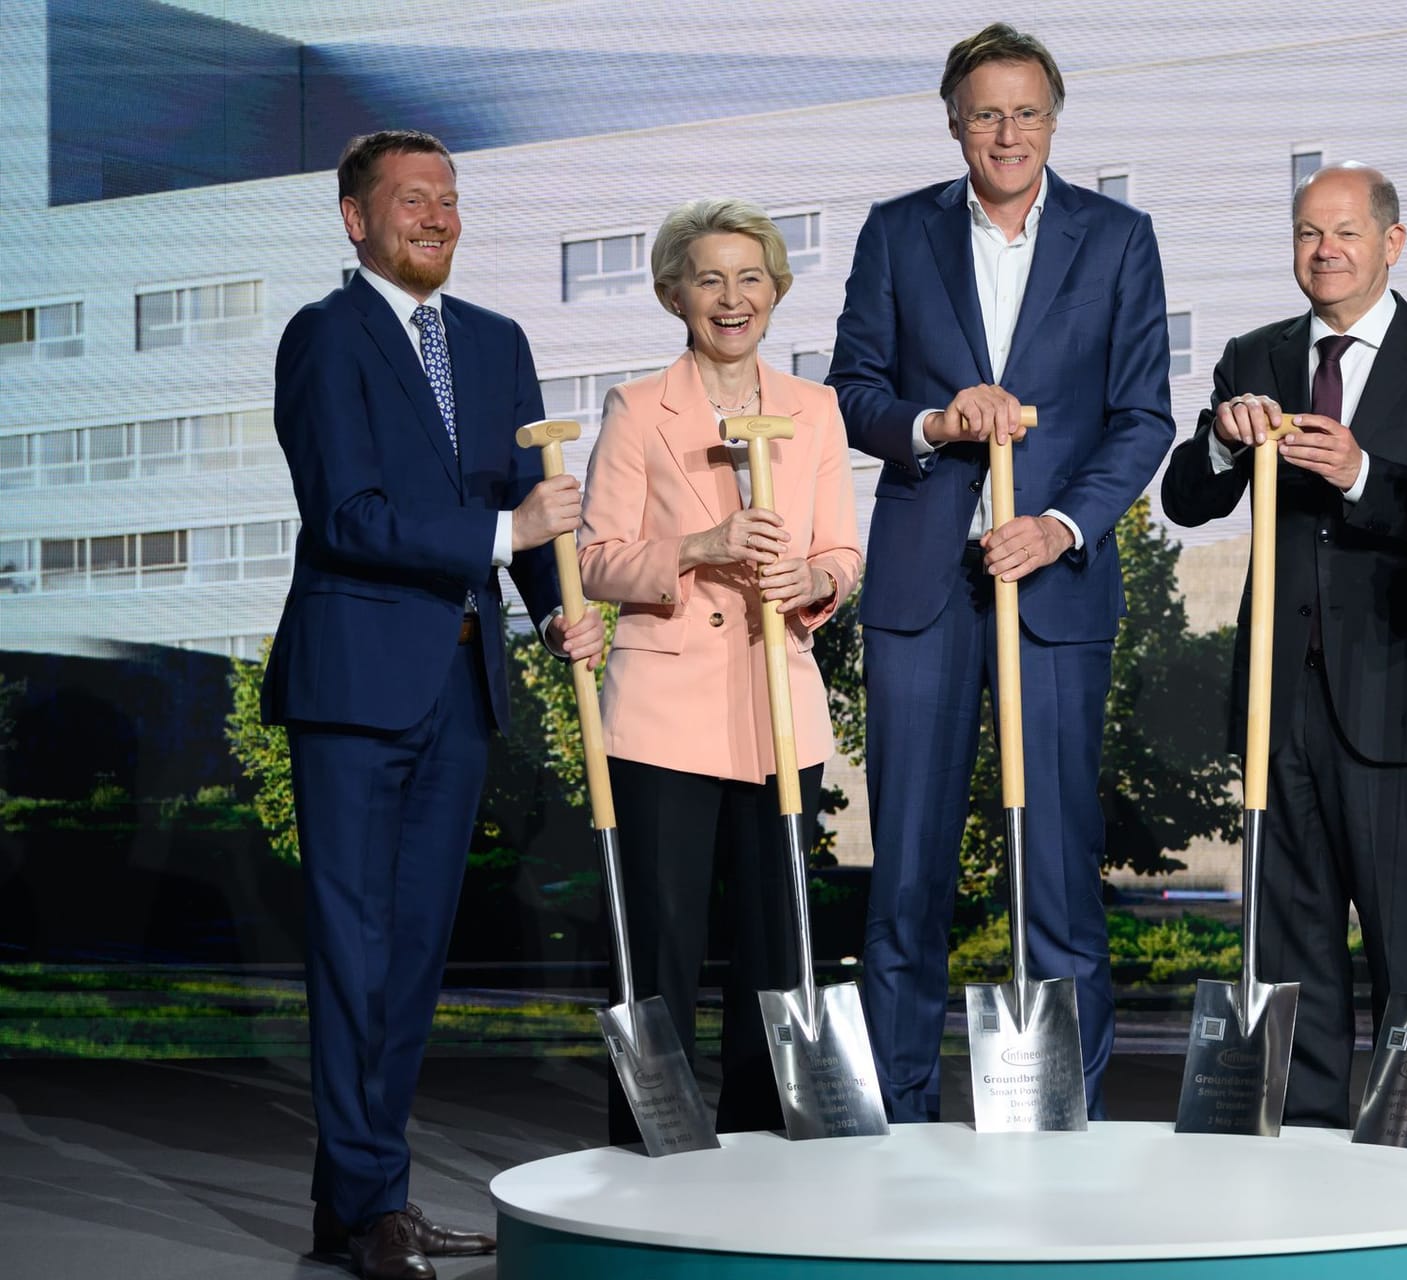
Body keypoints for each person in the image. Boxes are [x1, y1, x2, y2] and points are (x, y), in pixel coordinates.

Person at [264, 129, 602, 1280]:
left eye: (449, 200)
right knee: (356, 951)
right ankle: (375, 1203)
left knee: (409, 958)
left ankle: (356, 1201)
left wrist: (560, 606)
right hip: (355, 690)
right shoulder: (324, 338)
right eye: (412, 200)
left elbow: (530, 516)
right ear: (356, 217)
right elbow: (347, 515)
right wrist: (511, 534)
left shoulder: (498, 345)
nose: (437, 217)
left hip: (461, 689)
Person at [827, 22, 1174, 1122]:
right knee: (907, 880)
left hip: (1057, 593)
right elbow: (854, 385)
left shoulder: (1118, 238)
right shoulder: (897, 233)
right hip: (923, 593)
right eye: (986, 113)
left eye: (1026, 112)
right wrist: (935, 420)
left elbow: (1143, 416)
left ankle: (1059, 1123)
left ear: (1055, 121)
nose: (1007, 132)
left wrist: (1064, 525)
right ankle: (896, 1118)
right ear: (953, 122)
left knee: (1058, 879)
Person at [1159, 163, 1407, 1130]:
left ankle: (1400, 1152)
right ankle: (1303, 1146)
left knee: (1404, 950)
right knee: (1290, 941)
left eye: (1347, 232)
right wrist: (1224, 443)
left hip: (1400, 688)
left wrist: (1360, 475)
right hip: (1278, 695)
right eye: (1309, 233)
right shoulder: (1254, 354)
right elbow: (1187, 500)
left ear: (1393, 243)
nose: (1326, 251)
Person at [577, 199, 862, 1143]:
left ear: (776, 293)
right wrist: (701, 543)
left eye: (751, 277)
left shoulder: (815, 410)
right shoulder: (635, 407)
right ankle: (645, 1151)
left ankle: (761, 1147)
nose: (731, 298)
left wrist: (810, 576)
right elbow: (597, 561)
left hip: (780, 708)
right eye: (709, 278)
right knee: (660, 946)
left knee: (778, 950)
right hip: (663, 711)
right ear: (674, 294)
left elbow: (842, 556)